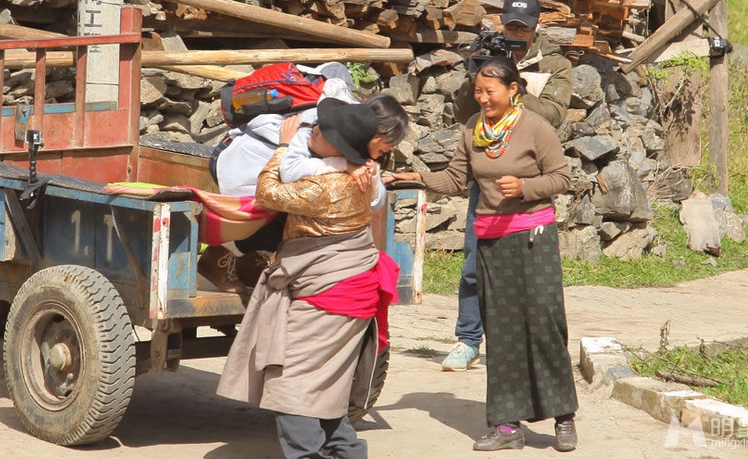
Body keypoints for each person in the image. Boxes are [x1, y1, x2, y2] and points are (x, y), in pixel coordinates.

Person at [388, 56, 578, 452]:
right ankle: (507, 424)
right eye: (477, 91)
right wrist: (415, 178)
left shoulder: (536, 128)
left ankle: (563, 415)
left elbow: (562, 177)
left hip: (533, 237)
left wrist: (525, 187)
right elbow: (457, 178)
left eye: (490, 91)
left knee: (544, 322)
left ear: (513, 90)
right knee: (502, 330)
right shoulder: (473, 129)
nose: (482, 98)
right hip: (491, 240)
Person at [217, 98, 403, 459]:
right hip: (350, 287)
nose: (311, 131)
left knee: (292, 384)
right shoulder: (363, 173)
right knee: (323, 386)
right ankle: (349, 453)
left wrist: (285, 146)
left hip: (330, 295)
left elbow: (267, 192)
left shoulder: (328, 184)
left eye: (320, 131)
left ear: (338, 147)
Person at [441, 0, 573, 372]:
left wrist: (512, 85)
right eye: (510, 25)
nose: (516, 33)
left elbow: (554, 114)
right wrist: (478, 76)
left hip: (528, 180)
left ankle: (521, 342)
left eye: (523, 27)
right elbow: (463, 112)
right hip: (485, 175)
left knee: (527, 273)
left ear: (537, 26)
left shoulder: (555, 63)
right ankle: (467, 340)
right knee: (472, 263)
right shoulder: (488, 53)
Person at [199, 90, 408, 292]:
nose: (391, 148)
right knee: (289, 216)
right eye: (389, 139)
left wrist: (371, 179)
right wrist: (342, 164)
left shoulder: (365, 153)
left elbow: (376, 200)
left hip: (276, 179)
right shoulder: (315, 127)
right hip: (243, 169)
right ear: (372, 129)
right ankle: (220, 256)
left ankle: (247, 259)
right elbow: (288, 173)